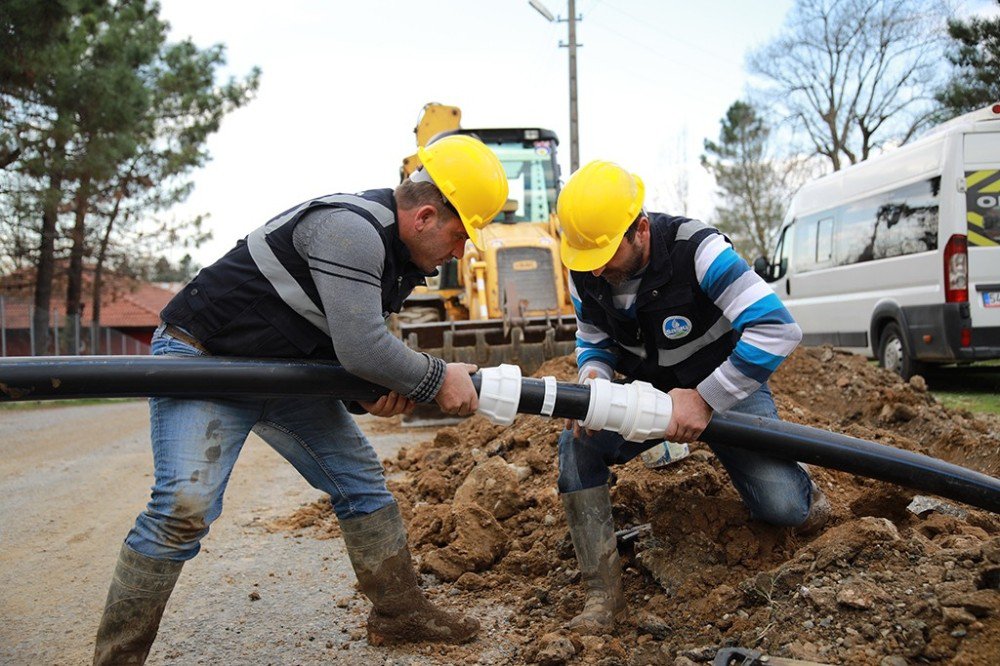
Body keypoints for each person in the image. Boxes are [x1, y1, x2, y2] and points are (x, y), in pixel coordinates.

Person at [92, 135, 509, 663]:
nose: (460, 252)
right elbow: (363, 345)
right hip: (206, 361)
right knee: (183, 508)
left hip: (284, 374)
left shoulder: (397, 262)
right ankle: (117, 659)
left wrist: (365, 398)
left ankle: (399, 614)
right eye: (460, 235)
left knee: (361, 483)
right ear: (426, 215)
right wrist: (436, 378)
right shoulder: (351, 229)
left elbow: (346, 348)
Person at [555, 160, 830, 635]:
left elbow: (778, 328)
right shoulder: (585, 270)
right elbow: (593, 337)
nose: (596, 268)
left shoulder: (699, 250)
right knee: (577, 443)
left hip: (724, 388)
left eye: (604, 253)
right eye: (586, 258)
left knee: (783, 509)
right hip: (648, 390)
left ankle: (802, 484)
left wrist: (705, 398)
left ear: (640, 229)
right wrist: (594, 379)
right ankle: (603, 594)